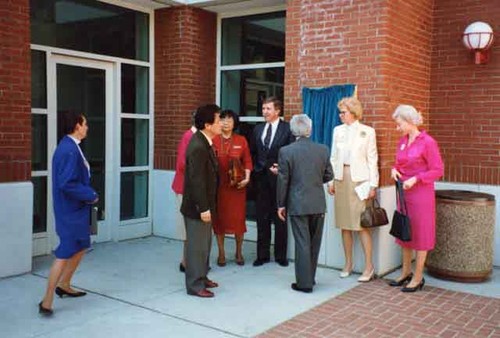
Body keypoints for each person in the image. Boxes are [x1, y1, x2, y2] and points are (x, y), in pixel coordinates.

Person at [39, 111, 99, 316]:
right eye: (85, 124)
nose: (87, 127)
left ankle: (64, 284)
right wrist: (90, 194)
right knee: (65, 252)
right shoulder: (68, 150)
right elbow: (67, 183)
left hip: (78, 209)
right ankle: (46, 301)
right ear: (76, 125)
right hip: (70, 211)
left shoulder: (72, 147)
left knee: (82, 245)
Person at [389, 104, 444, 292]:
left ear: (410, 121)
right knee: (405, 231)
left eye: (399, 124)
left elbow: (438, 170)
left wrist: (416, 179)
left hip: (421, 195)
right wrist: (394, 169)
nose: (398, 128)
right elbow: (399, 163)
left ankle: (418, 277)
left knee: (420, 235)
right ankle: (406, 273)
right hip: (404, 194)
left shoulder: (428, 142)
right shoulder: (403, 141)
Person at [277, 114, 333, 293]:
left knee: (302, 243)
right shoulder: (323, 149)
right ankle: (310, 278)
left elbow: (283, 181)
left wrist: (281, 204)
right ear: (309, 129)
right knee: (314, 243)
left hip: (298, 202)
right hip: (317, 202)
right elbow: (328, 175)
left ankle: (304, 283)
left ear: (293, 131)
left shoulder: (286, 151)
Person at [328, 96, 379, 282]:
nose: (340, 115)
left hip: (360, 182)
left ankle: (369, 266)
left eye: (344, 112)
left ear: (354, 113)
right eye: (340, 112)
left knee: (362, 225)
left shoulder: (368, 132)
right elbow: (333, 157)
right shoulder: (337, 131)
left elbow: (373, 159)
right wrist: (331, 181)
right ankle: (348, 263)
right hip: (341, 179)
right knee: (345, 225)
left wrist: (374, 184)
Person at [181, 104, 222, 298]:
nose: (222, 123)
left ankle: (202, 277)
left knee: (205, 244)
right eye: (218, 120)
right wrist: (203, 208)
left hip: (206, 205)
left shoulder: (205, 142)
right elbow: (196, 180)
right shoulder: (198, 145)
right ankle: (195, 285)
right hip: (198, 207)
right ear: (207, 124)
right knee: (197, 247)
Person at [250, 97, 295, 267]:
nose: (264, 112)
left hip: (279, 179)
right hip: (260, 178)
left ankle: (280, 256)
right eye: (263, 109)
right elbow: (253, 152)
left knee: (280, 217)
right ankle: (262, 255)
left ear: (277, 111)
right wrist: (255, 168)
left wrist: (282, 168)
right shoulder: (257, 129)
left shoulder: (287, 129)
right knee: (262, 217)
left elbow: (291, 153)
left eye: (268, 109)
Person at [213, 110, 252, 266]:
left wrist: (247, 178)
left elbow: (248, 161)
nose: (226, 122)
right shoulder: (213, 139)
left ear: (235, 123)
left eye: (229, 119)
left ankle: (238, 252)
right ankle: (221, 253)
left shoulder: (241, 140)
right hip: (219, 187)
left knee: (238, 221)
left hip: (237, 187)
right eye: (222, 119)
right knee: (219, 221)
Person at [171, 112, 197, 273]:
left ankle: (190, 261)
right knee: (187, 228)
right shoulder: (189, 136)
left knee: (193, 228)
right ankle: (186, 262)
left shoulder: (198, 136)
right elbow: (183, 164)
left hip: (193, 189)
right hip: (186, 189)